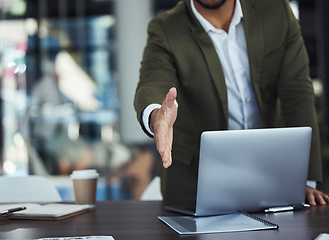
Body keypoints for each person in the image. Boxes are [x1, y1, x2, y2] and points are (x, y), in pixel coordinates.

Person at [134, 0, 329, 205]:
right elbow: (153, 80)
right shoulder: (165, 28)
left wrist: (304, 180)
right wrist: (157, 115)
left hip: (271, 177)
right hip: (196, 186)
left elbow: (297, 93)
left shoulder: (276, 11)